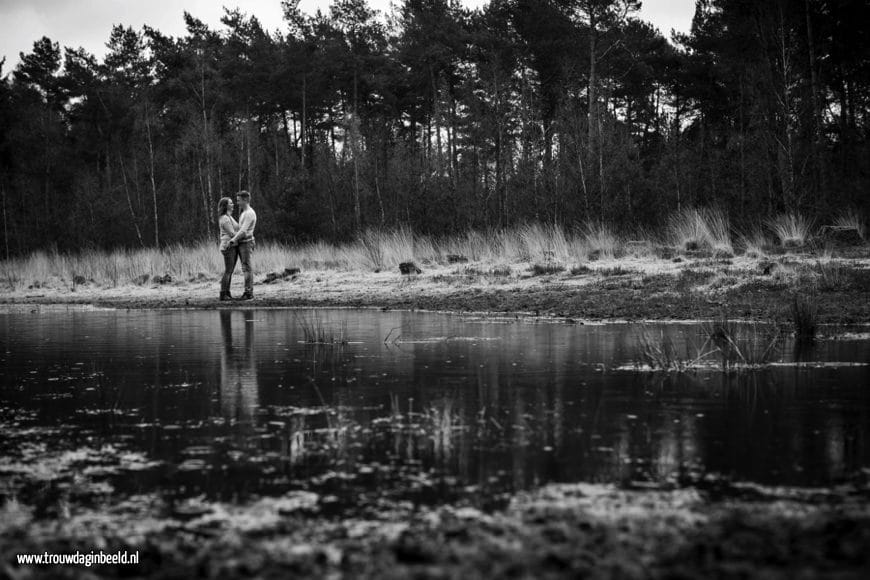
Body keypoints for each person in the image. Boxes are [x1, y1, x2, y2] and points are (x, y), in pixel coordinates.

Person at [229, 190, 257, 300]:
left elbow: (243, 231)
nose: (237, 203)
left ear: (245, 200)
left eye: (239, 200)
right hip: (243, 243)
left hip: (246, 243)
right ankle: (247, 291)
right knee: (245, 267)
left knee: (247, 268)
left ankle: (249, 292)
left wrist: (233, 240)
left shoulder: (249, 213)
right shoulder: (244, 213)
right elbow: (239, 228)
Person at [218, 197, 239, 301]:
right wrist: (244, 236)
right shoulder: (225, 219)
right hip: (228, 246)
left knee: (230, 271)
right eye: (231, 203)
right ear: (226, 206)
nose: (233, 204)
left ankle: (227, 292)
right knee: (228, 271)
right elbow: (232, 233)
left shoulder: (229, 217)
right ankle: (223, 294)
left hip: (232, 246)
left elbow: (237, 228)